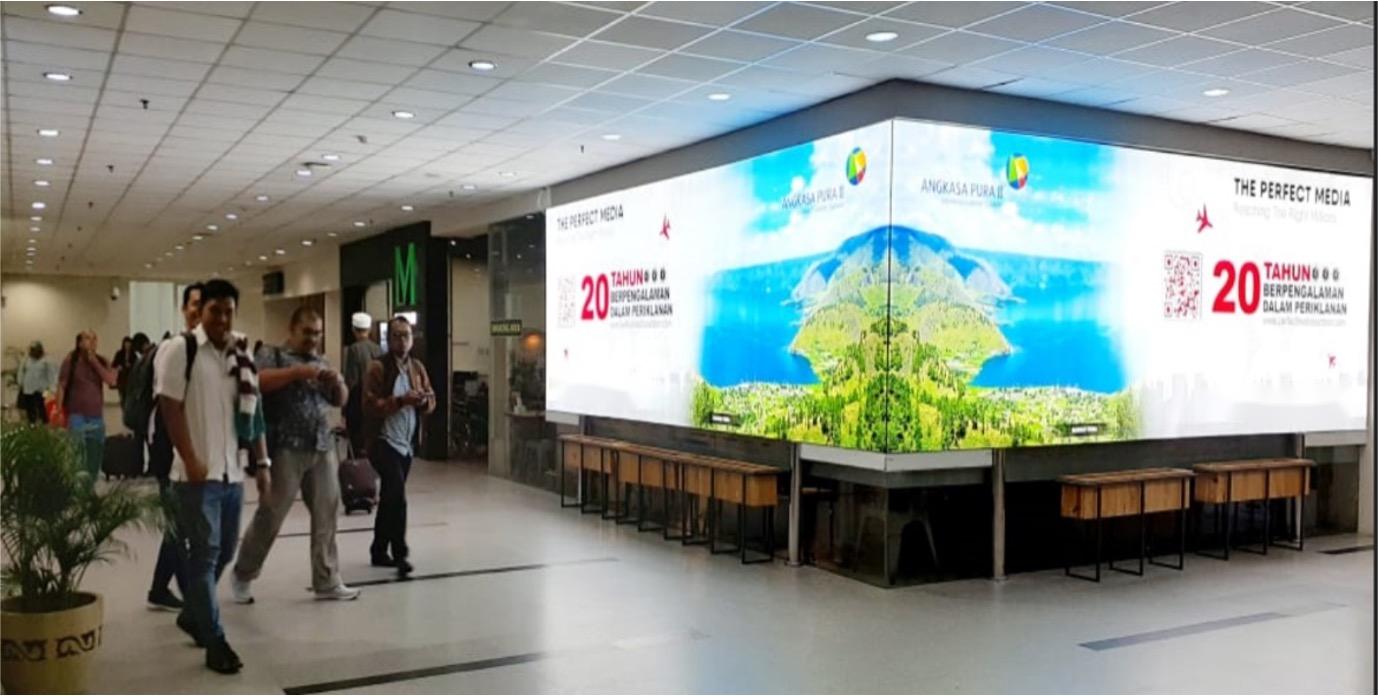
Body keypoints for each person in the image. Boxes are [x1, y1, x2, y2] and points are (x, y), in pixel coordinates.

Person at [156, 279, 269, 675]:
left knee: (225, 553)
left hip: (232, 472)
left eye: (228, 311)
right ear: (200, 311)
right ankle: (215, 641)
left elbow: (254, 410)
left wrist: (262, 463)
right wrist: (190, 458)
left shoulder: (241, 352)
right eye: (214, 310)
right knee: (204, 556)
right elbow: (169, 407)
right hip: (196, 477)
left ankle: (193, 613)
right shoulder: (181, 349)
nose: (222, 318)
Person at [232, 307, 359, 603]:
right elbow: (257, 383)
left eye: (318, 333)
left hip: (322, 447)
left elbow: (339, 400)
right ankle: (244, 572)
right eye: (307, 332)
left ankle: (326, 579)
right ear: (292, 330)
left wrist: (338, 383)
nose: (313, 339)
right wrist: (296, 373)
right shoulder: (272, 354)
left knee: (327, 514)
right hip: (285, 448)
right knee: (271, 514)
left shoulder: (321, 361)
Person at [362, 316, 434, 576]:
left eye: (406, 335)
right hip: (383, 441)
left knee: (390, 498)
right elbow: (369, 406)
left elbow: (431, 399)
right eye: (396, 335)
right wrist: (400, 401)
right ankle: (400, 554)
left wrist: (423, 402)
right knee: (398, 497)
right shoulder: (378, 367)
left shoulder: (417, 367)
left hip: (406, 443)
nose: (402, 341)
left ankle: (378, 549)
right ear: (388, 339)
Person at [144, 284, 200, 612]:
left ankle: (159, 589)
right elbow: (168, 404)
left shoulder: (205, 351)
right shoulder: (173, 348)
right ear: (184, 309)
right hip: (169, 446)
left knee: (182, 523)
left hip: (189, 446)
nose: (200, 312)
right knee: (180, 523)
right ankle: (193, 597)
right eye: (195, 304)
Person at [57, 331, 118, 481]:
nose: (91, 342)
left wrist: (94, 362)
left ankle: (90, 486)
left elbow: (111, 380)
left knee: (94, 456)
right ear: (79, 343)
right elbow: (62, 386)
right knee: (79, 455)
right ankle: (79, 487)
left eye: (94, 339)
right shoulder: (70, 361)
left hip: (95, 417)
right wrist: (58, 411)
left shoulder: (102, 360)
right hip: (77, 415)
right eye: (87, 338)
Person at [343, 312, 382, 453]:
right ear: (369, 329)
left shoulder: (354, 349)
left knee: (355, 442)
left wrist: (345, 407)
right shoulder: (378, 349)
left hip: (357, 400)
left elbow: (351, 380)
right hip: (375, 400)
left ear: (353, 329)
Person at [16, 341, 57, 425]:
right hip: (28, 390)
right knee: (30, 410)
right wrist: (20, 382)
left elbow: (52, 375)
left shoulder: (47, 361)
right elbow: (21, 372)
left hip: (42, 390)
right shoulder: (26, 360)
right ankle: (32, 425)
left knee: (41, 408)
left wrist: (51, 390)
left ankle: (44, 425)